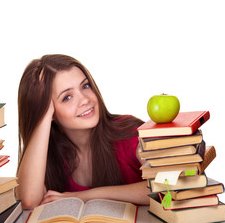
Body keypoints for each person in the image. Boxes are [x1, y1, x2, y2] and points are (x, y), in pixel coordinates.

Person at [16, 54, 150, 209]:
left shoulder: (130, 133)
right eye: (67, 97)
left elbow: (165, 187)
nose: (85, 100)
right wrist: (42, 116)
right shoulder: (50, 156)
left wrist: (83, 197)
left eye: (85, 86)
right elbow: (29, 201)